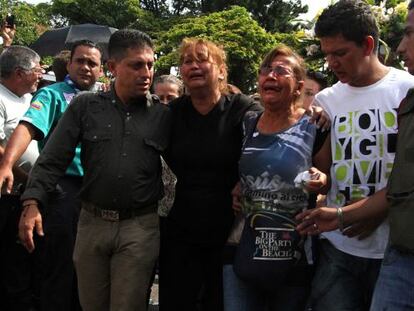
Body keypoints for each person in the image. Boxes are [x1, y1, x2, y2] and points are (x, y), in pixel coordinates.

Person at [17, 29, 170, 311]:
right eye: (137, 65)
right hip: (91, 224)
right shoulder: (85, 107)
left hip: (139, 227)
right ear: (112, 68)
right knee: (90, 305)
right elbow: (52, 159)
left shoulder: (162, 115)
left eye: (150, 65)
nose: (146, 73)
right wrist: (32, 203)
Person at [297, 1, 414, 309]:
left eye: (340, 53)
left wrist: (373, 211)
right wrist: (313, 177)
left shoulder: (406, 89)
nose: (332, 63)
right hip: (340, 244)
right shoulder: (326, 99)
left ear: (368, 45)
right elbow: (323, 175)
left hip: (394, 245)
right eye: (326, 55)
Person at [223, 44, 331, 311]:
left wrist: (322, 181)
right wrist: (239, 185)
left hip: (291, 256)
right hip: (243, 248)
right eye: (265, 70)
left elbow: (330, 180)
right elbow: (241, 168)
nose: (270, 75)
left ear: (298, 86)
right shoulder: (247, 123)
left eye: (281, 71)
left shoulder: (314, 127)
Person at [0, 39, 103, 311]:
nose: (85, 67)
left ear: (102, 70)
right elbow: (28, 128)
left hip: (100, 196)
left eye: (92, 63)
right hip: (63, 192)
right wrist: (6, 164)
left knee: (91, 274)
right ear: (69, 65)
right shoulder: (51, 95)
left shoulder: (109, 98)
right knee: (60, 270)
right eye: (79, 61)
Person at [159, 38, 260, 311]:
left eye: (202, 59)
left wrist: (313, 113)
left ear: (222, 70)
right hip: (180, 230)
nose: (193, 66)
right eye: (187, 61)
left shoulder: (243, 109)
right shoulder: (171, 114)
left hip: (230, 232)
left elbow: (276, 133)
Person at [0, 45, 43, 311]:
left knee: (20, 258)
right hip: (7, 194)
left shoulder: (28, 98)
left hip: (26, 194)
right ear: (19, 72)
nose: (40, 75)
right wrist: (23, 175)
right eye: (36, 70)